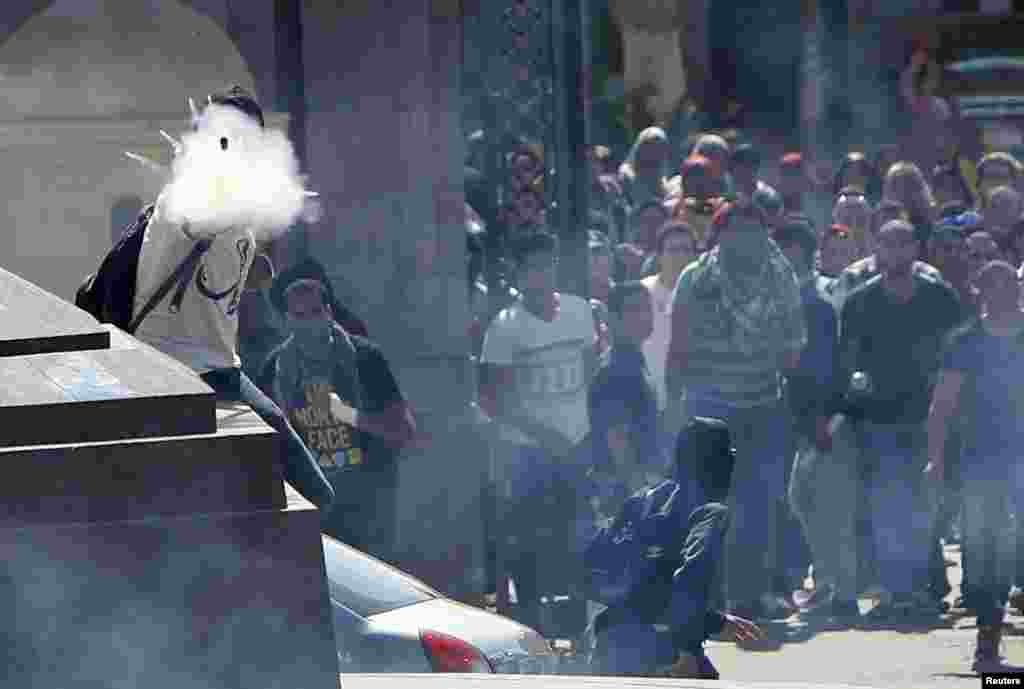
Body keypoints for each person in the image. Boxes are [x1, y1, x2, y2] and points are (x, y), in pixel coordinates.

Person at [130, 85, 334, 512]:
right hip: (175, 368)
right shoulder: (187, 196)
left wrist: (258, 269)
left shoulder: (236, 212)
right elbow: (198, 220)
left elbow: (225, 267)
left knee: (314, 492)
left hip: (220, 370)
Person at [665, 200, 807, 621]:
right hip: (708, 408)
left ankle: (751, 595)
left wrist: (768, 348)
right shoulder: (696, 279)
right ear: (719, 235)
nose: (745, 239)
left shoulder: (781, 280)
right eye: (736, 230)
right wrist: (672, 409)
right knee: (708, 506)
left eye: (754, 230)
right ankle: (707, 597)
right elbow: (678, 348)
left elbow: (794, 350)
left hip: (762, 406)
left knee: (759, 503)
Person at [839, 219, 962, 620]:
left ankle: (925, 590)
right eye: (888, 244)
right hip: (881, 420)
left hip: (931, 419)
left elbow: (960, 358)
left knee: (926, 508)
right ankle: (895, 593)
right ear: (877, 249)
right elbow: (848, 365)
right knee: (887, 508)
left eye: (903, 243)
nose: (896, 251)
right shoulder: (860, 302)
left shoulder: (940, 299)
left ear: (915, 248)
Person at [479, 230, 598, 631]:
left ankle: (581, 627)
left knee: (579, 536)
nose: (539, 275)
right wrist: (546, 437)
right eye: (530, 268)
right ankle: (531, 625)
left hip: (578, 445)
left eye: (545, 266)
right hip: (526, 452)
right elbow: (494, 400)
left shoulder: (580, 312)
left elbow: (592, 374)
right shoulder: (505, 327)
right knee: (526, 542)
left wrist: (589, 435)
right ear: (518, 272)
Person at [582, 417, 763, 678]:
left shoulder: (643, 499)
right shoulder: (708, 512)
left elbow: (646, 585)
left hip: (608, 642)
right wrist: (688, 651)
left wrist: (716, 621)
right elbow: (690, 579)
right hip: (660, 651)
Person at [263, 268, 416, 559]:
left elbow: (404, 430)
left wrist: (347, 414)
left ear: (329, 312)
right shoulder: (275, 368)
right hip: (312, 506)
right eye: (299, 315)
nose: (308, 321)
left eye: (315, 311)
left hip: (367, 507)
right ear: (287, 320)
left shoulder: (365, 358)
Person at [926, 260, 1024, 672]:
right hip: (981, 460)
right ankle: (987, 644)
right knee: (986, 549)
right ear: (979, 292)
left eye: (1009, 285)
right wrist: (935, 459)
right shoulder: (965, 341)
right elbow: (943, 406)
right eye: (993, 286)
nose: (1002, 293)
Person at [773, 220, 859, 622]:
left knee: (825, 508)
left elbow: (823, 368)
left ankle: (840, 593)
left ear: (805, 255)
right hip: (793, 417)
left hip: (819, 419)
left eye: (791, 249)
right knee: (803, 502)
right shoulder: (784, 297)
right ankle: (829, 586)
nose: (784, 256)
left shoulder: (816, 304)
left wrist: (822, 420)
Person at [641, 223, 698, 415]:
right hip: (648, 398)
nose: (680, 256)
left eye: (686, 250)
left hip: (691, 399)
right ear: (659, 256)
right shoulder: (641, 292)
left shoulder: (706, 294)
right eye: (673, 250)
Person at [618, 127, 674, 208]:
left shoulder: (664, 182)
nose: (653, 152)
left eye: (659, 148)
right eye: (649, 146)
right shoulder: (625, 174)